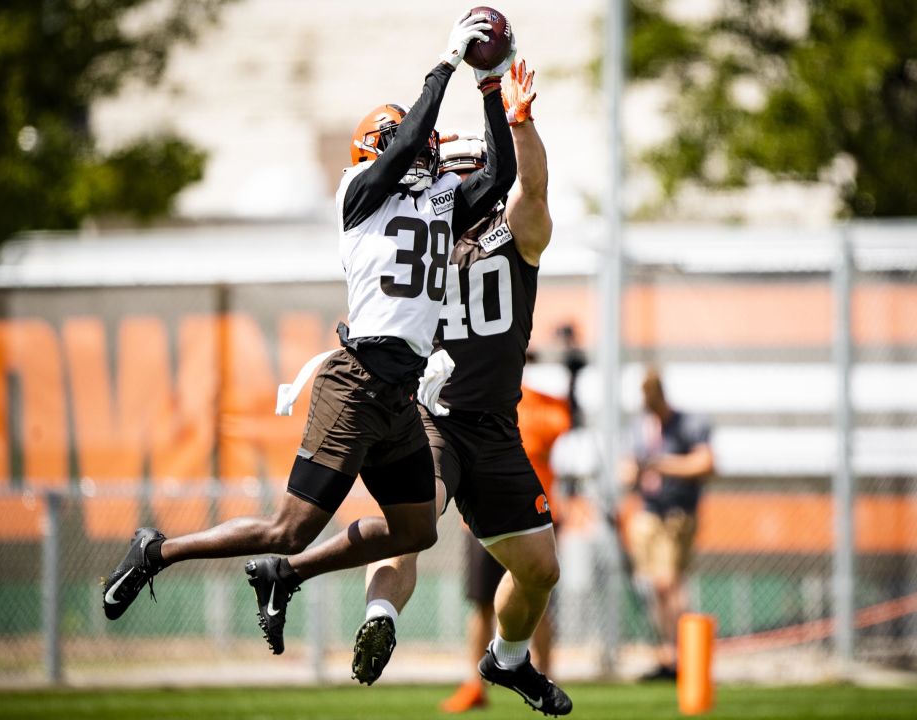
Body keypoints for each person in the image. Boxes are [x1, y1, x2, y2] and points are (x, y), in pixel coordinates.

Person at [100, 14, 518, 662]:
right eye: (413, 142)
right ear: (381, 148)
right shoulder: (360, 194)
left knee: (415, 530)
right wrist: (445, 65)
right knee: (287, 528)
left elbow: (499, 178)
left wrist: (490, 89)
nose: (430, 151)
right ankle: (158, 550)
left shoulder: (434, 200)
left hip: (399, 398)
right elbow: (406, 146)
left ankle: (282, 578)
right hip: (353, 388)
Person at [338, 60, 572, 716]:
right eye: (455, 173)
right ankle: (380, 612)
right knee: (409, 522)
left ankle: (508, 657)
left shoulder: (513, 236)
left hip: (496, 426)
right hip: (429, 414)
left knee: (540, 569)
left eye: (470, 174)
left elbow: (534, 194)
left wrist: (519, 123)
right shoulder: (413, 240)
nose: (461, 186)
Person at [440, 359, 571, 713]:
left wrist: (572, 382)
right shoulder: (478, 397)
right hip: (482, 519)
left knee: (537, 598)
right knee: (481, 605)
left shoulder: (541, 402)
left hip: (532, 515)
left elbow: (559, 430)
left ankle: (543, 674)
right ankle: (473, 683)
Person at [624, 367, 715, 681]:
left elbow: (705, 463)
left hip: (678, 512)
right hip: (649, 511)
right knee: (655, 586)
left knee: (670, 582)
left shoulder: (689, 423)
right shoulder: (639, 427)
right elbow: (627, 472)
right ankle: (667, 656)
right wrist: (635, 472)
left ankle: (685, 655)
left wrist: (661, 464)